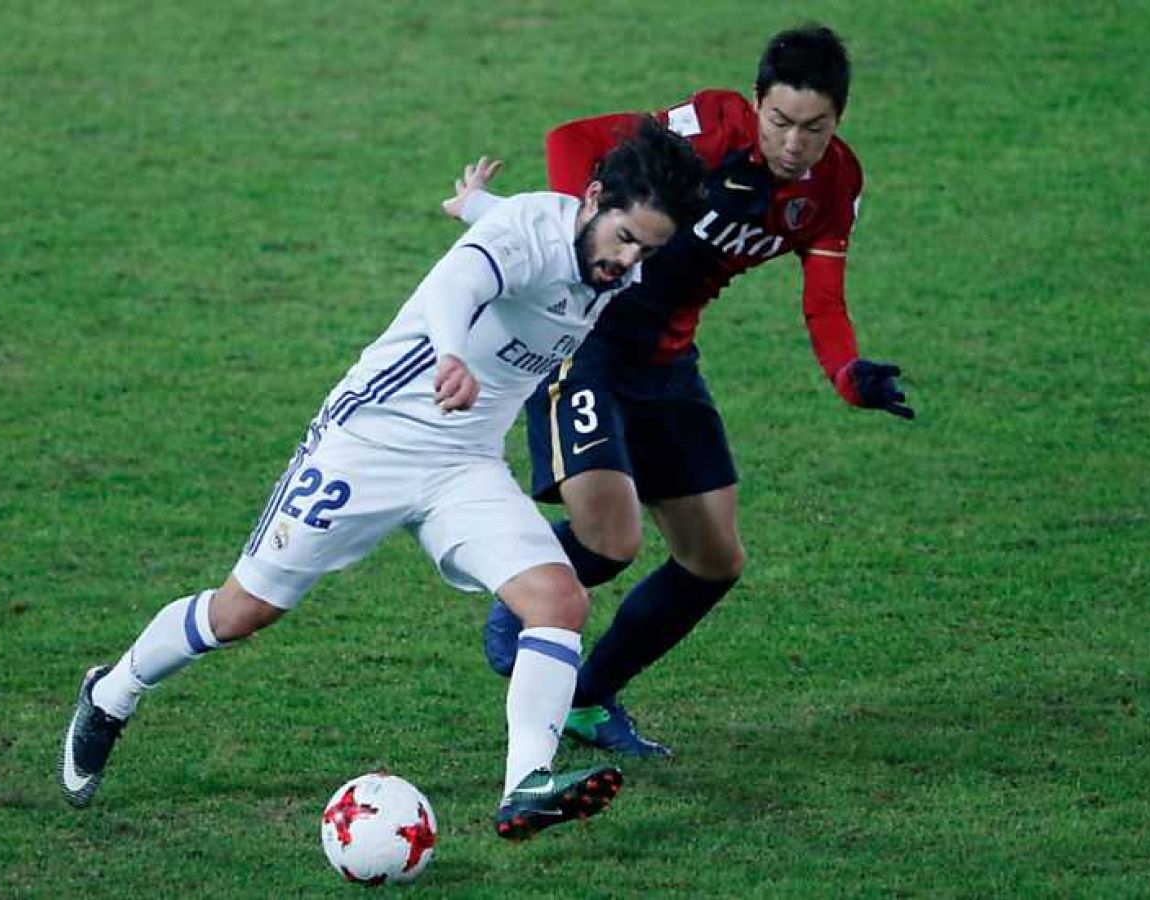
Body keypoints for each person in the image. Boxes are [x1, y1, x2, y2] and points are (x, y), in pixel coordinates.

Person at [59, 119, 706, 841]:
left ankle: (525, 785)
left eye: (648, 248)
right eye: (625, 239)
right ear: (591, 201)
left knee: (557, 600)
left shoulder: (601, 250)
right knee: (241, 613)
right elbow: (460, 281)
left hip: (464, 464)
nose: (629, 261)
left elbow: (542, 240)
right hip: (367, 444)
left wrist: (472, 203)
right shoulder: (528, 231)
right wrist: (452, 353)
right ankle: (112, 692)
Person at [448, 25, 914, 758]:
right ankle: (522, 589)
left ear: (838, 123)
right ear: (757, 102)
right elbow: (573, 137)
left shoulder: (834, 184)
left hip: (667, 362)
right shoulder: (713, 128)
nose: (794, 143)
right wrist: (584, 241)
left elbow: (824, 303)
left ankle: (588, 700)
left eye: (814, 129)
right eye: (781, 121)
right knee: (610, 539)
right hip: (589, 338)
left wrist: (850, 377)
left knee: (714, 560)